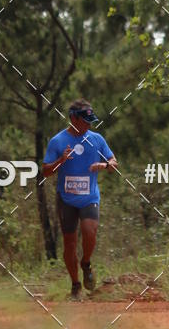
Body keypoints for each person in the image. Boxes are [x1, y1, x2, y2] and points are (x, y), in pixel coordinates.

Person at [42, 98, 117, 300]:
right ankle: (75, 285)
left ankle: (86, 262)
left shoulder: (97, 139)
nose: (89, 125)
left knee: (89, 231)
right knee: (69, 242)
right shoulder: (57, 141)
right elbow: (45, 171)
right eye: (85, 121)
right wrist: (61, 160)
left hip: (89, 197)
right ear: (73, 119)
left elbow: (113, 162)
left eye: (91, 121)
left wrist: (103, 166)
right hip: (66, 199)